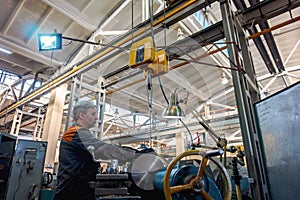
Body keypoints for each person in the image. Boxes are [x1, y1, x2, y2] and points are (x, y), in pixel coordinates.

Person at [54, 101, 137, 200]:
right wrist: (136, 155)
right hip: (71, 193)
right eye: (93, 114)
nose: (96, 118)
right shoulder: (76, 133)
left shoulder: (77, 132)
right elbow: (104, 149)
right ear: (82, 115)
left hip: (76, 190)